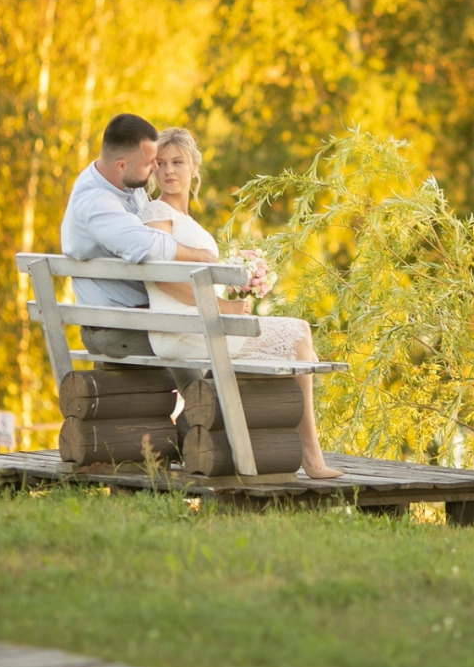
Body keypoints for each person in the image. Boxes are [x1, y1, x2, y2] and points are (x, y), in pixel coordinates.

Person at [140, 127, 343, 480]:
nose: (169, 170)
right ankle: (311, 454)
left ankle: (282, 447)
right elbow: (163, 279)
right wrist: (223, 307)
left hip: (196, 324)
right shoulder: (156, 213)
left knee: (301, 349)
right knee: (298, 335)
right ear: (152, 170)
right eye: (160, 163)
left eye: (178, 162)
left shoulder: (183, 219)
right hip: (182, 329)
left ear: (194, 167)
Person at [60, 112, 220, 337]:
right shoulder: (96, 201)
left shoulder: (128, 184)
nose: (157, 167)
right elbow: (147, 246)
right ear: (122, 165)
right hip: (118, 326)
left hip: (142, 316)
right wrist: (203, 256)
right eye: (150, 163)